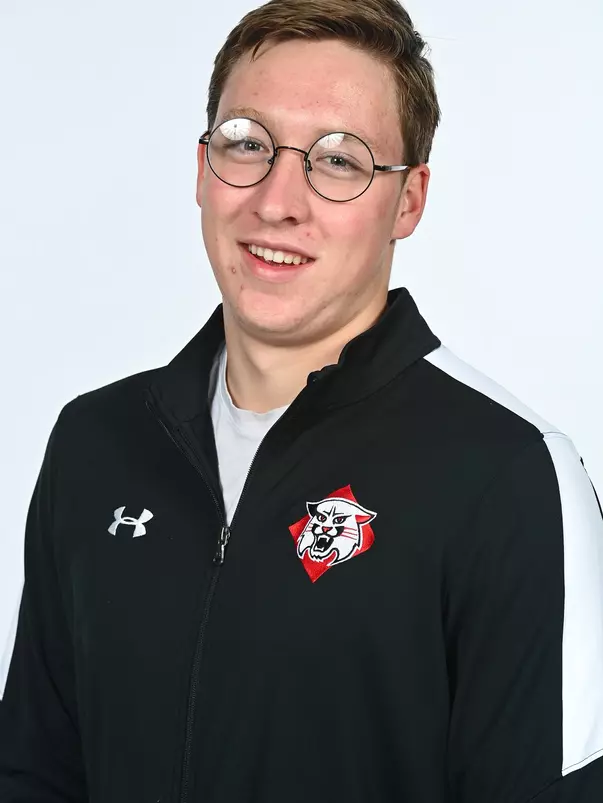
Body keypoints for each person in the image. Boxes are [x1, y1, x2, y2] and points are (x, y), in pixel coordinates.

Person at [1, 0, 602, 800]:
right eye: (246, 143)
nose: (277, 200)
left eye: (339, 160)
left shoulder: (509, 475)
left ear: (408, 200)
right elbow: (34, 769)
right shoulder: (96, 442)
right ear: (202, 167)